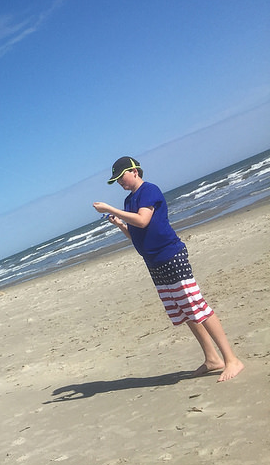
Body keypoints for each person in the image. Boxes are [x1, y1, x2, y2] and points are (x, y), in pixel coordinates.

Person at [93, 156, 244, 382]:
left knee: (197, 305)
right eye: (115, 180)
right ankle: (212, 358)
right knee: (185, 311)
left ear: (134, 171)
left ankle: (232, 359)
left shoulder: (149, 190)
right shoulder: (128, 201)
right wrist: (120, 224)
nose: (119, 183)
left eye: (120, 177)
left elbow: (143, 220)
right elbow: (136, 233)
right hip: (154, 262)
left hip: (171, 255)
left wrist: (109, 208)